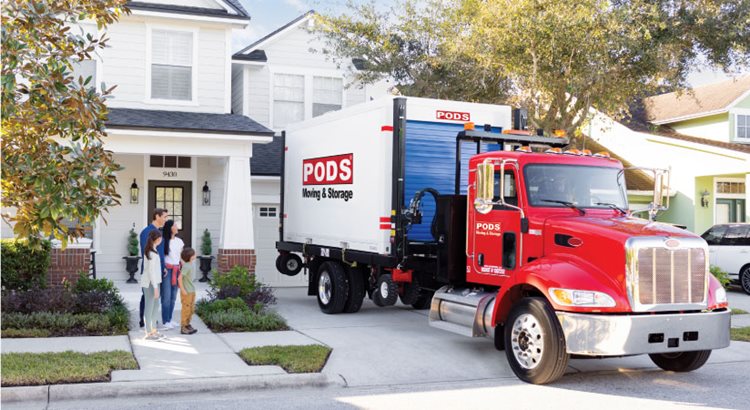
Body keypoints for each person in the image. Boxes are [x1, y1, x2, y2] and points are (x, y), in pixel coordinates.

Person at [139, 208, 168, 328]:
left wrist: (163, 267)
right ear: (157, 216)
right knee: (148, 297)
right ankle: (145, 322)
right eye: (165, 217)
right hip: (150, 271)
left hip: (159, 270)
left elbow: (159, 253)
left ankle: (152, 321)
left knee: (155, 298)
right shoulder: (147, 232)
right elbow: (149, 254)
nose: (166, 219)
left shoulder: (158, 232)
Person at [141, 229, 164, 340]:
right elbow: (150, 272)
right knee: (149, 307)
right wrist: (155, 288)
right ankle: (148, 332)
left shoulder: (154, 250)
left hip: (156, 282)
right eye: (160, 238)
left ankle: (153, 329)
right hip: (150, 284)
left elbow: (154, 269)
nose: (161, 239)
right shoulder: (151, 253)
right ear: (157, 239)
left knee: (155, 307)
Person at [161, 219, 183, 329]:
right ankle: (165, 321)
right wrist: (163, 268)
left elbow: (181, 257)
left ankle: (169, 319)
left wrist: (183, 270)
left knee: (173, 297)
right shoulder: (163, 241)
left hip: (177, 270)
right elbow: (160, 257)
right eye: (175, 225)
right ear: (170, 228)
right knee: (166, 296)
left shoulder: (179, 241)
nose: (177, 226)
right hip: (167, 270)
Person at [178, 247, 198, 335]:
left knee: (191, 309)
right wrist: (183, 290)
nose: (195, 255)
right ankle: (183, 327)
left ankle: (187, 324)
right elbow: (179, 278)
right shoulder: (186, 266)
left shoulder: (190, 264)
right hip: (186, 292)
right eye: (194, 254)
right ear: (190, 256)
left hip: (192, 290)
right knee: (186, 309)